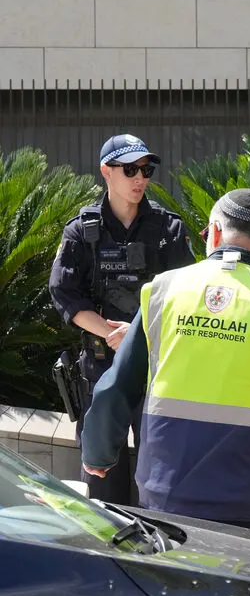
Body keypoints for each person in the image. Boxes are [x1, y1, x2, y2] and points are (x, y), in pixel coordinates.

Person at [80, 189, 250, 540]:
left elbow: (118, 385)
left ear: (214, 231)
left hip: (164, 494)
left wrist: (98, 453)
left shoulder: (163, 291)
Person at [49, 133, 193, 505]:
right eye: (130, 169)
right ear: (106, 171)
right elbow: (64, 292)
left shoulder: (169, 228)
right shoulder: (81, 230)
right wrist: (109, 333)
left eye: (146, 170)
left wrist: (138, 334)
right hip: (100, 371)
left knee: (157, 478)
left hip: (155, 370)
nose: (140, 178)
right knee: (101, 482)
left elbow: (186, 297)